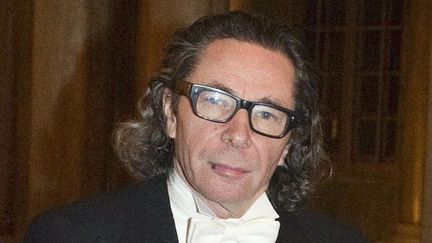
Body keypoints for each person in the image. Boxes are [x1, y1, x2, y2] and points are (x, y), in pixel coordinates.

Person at [24, 11, 368, 242]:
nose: (238, 134)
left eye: (267, 113)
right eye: (216, 101)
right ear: (170, 112)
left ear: (289, 144)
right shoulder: (72, 235)